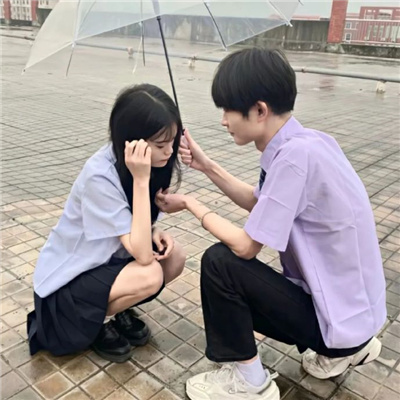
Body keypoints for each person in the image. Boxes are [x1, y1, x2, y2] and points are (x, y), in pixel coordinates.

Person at [155, 48, 386, 400]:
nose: (223, 121)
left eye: (228, 110)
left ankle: (250, 381)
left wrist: (190, 203)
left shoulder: (293, 159)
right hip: (357, 317)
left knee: (220, 264)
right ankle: (347, 351)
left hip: (336, 322)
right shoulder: (310, 143)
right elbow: (260, 201)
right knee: (229, 263)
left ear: (260, 110)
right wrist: (206, 165)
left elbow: (247, 246)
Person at [27, 84, 186, 363]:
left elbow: (130, 225)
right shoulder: (99, 176)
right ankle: (99, 322)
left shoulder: (145, 166)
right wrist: (141, 180)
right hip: (67, 286)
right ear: (132, 143)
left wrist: (153, 230)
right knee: (150, 273)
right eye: (161, 145)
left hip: (104, 264)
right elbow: (142, 255)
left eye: (172, 141)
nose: (168, 152)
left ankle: (116, 310)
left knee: (175, 258)